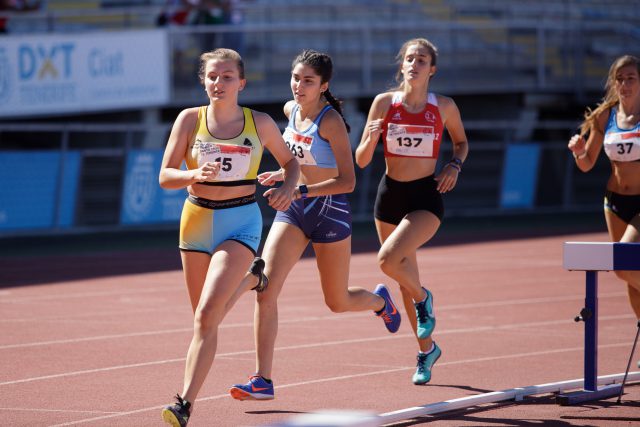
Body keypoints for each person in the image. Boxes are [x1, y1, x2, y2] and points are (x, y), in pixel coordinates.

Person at [227, 49, 402, 401]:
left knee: (336, 302)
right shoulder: (290, 111)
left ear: (324, 85)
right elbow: (301, 161)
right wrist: (282, 175)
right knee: (265, 288)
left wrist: (299, 188)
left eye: (308, 81)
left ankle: (380, 303)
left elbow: (348, 181)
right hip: (294, 211)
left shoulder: (330, 121)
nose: (299, 86)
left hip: (329, 212)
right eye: (295, 78)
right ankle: (263, 379)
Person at [159, 48, 300, 427]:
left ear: (241, 82)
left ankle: (183, 404)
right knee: (204, 323)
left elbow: (291, 162)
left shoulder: (261, 123)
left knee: (208, 313)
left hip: (240, 221)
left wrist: (288, 186)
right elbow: (165, 175)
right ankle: (255, 279)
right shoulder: (189, 119)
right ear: (203, 81)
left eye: (226, 77)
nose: (218, 83)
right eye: (211, 77)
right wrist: (192, 175)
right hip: (195, 221)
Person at [355, 38, 469, 385]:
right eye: (409, 58)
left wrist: (454, 165)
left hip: (425, 197)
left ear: (431, 69)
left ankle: (425, 298)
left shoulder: (444, 106)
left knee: (388, 261)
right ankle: (427, 351)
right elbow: (360, 160)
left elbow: (462, 142)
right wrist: (371, 137)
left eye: (422, 60)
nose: (414, 64)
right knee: (404, 284)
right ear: (401, 65)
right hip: (389, 195)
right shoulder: (383, 103)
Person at [567, 55, 640, 324]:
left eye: (631, 78)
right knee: (632, 278)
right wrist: (578, 152)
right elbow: (587, 163)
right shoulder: (605, 115)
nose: (624, 84)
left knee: (622, 264)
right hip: (616, 202)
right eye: (619, 79)